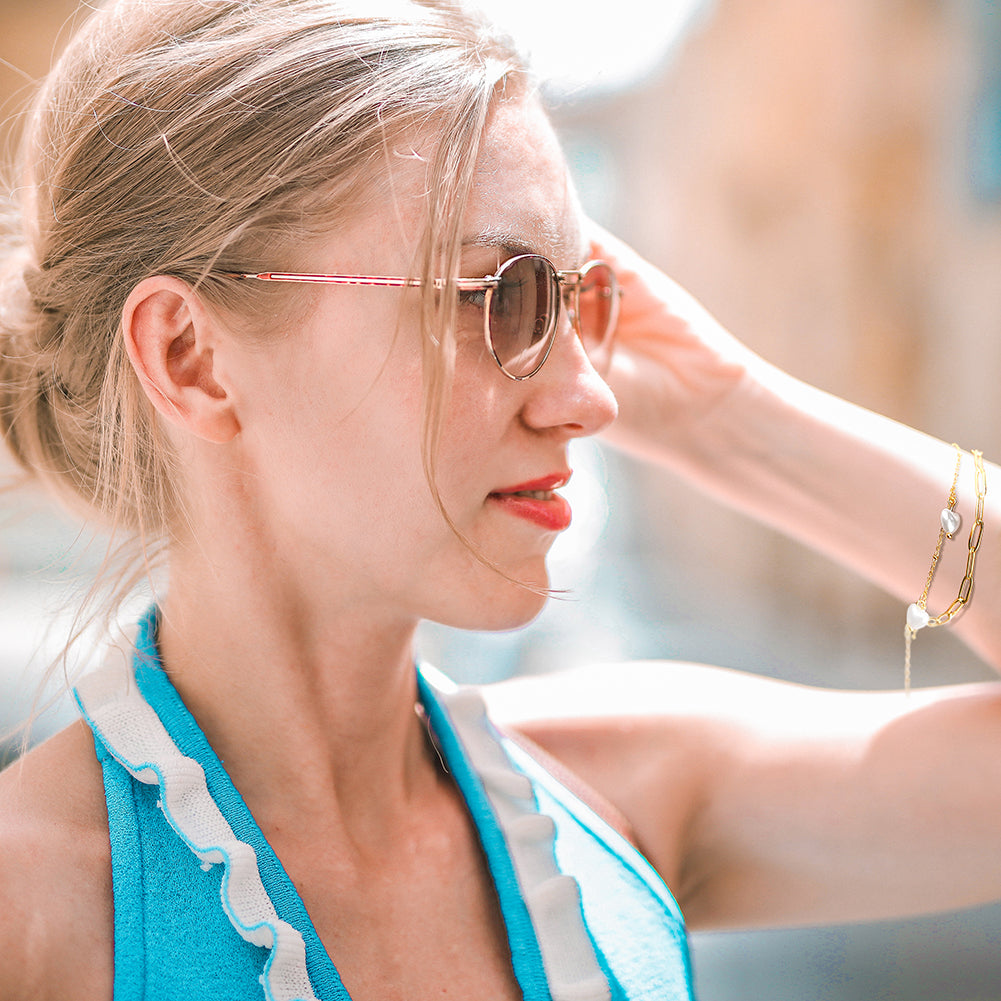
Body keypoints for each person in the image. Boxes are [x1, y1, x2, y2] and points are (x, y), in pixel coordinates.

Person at [1, 1, 1000, 999]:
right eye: (500, 296)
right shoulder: (32, 907)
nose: (590, 398)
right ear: (192, 358)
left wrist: (728, 412)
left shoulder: (617, 793)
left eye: (578, 299)